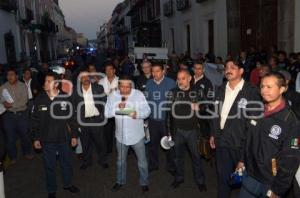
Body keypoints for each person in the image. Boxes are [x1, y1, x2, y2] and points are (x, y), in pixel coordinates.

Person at [239, 72, 300, 198]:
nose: (264, 90)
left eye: (269, 87)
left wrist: (278, 189)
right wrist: (242, 160)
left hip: (270, 182)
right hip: (250, 174)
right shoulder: (256, 110)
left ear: (282, 88)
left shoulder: (290, 121)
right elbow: (247, 139)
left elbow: (290, 160)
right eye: (262, 86)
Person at [210, 59, 261, 198]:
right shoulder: (221, 88)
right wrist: (213, 134)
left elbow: (254, 125)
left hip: (241, 144)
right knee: (223, 178)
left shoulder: (251, 92)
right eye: (226, 67)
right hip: (222, 142)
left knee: (246, 182)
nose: (228, 69)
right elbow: (215, 114)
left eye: (233, 67)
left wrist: (246, 152)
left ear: (241, 71)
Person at [31, 72, 80, 198]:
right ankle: (51, 189)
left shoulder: (65, 98)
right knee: (49, 166)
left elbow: (72, 118)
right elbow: (35, 120)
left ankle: (68, 184)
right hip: (47, 140)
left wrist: (74, 136)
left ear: (56, 84)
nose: (45, 83)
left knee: (67, 163)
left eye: (49, 81)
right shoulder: (40, 99)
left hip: (64, 138)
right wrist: (36, 138)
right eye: (45, 81)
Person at [105, 75, 151, 193]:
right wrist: (117, 107)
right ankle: (120, 181)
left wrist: (137, 114)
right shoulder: (113, 96)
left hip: (137, 136)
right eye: (122, 86)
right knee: (120, 161)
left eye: (128, 86)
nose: (125, 89)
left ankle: (144, 182)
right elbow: (107, 114)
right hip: (120, 136)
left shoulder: (138, 94)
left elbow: (147, 111)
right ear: (119, 85)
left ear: (131, 85)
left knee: (142, 161)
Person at [166, 70, 207, 192]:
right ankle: (179, 178)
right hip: (177, 131)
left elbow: (207, 107)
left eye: (183, 78)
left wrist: (199, 107)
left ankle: (200, 181)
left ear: (190, 78)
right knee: (178, 157)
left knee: (196, 158)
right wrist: (168, 133)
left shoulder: (197, 92)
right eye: (178, 78)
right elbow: (168, 114)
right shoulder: (173, 93)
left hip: (193, 131)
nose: (180, 81)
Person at [72, 70, 108, 170]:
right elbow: (74, 107)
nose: (85, 78)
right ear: (80, 79)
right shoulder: (75, 90)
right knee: (85, 143)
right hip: (83, 121)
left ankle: (103, 160)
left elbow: (105, 102)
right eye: (83, 77)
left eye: (87, 76)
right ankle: (87, 161)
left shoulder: (98, 88)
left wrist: (103, 117)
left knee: (100, 142)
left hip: (96, 120)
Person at [145, 63, 176, 174]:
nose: (155, 74)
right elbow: (146, 101)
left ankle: (171, 166)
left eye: (157, 71)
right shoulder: (149, 83)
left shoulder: (171, 83)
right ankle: (153, 164)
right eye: (153, 71)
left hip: (166, 121)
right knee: (152, 144)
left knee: (168, 144)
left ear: (163, 71)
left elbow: (175, 102)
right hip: (152, 119)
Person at [0, 68, 33, 163]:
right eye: (8, 75)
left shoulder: (22, 86)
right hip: (8, 116)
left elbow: (24, 101)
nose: (9, 77)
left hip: (21, 114)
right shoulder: (3, 87)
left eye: (12, 74)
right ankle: (13, 156)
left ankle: (27, 152)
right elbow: (1, 100)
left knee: (25, 135)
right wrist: (4, 104)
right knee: (10, 138)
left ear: (17, 76)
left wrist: (10, 105)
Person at [99, 63, 119, 154]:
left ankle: (124, 147)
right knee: (107, 130)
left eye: (110, 69)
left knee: (120, 128)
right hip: (106, 109)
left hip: (118, 108)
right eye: (106, 70)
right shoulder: (101, 81)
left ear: (114, 70)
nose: (108, 71)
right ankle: (108, 148)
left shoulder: (119, 80)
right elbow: (99, 95)